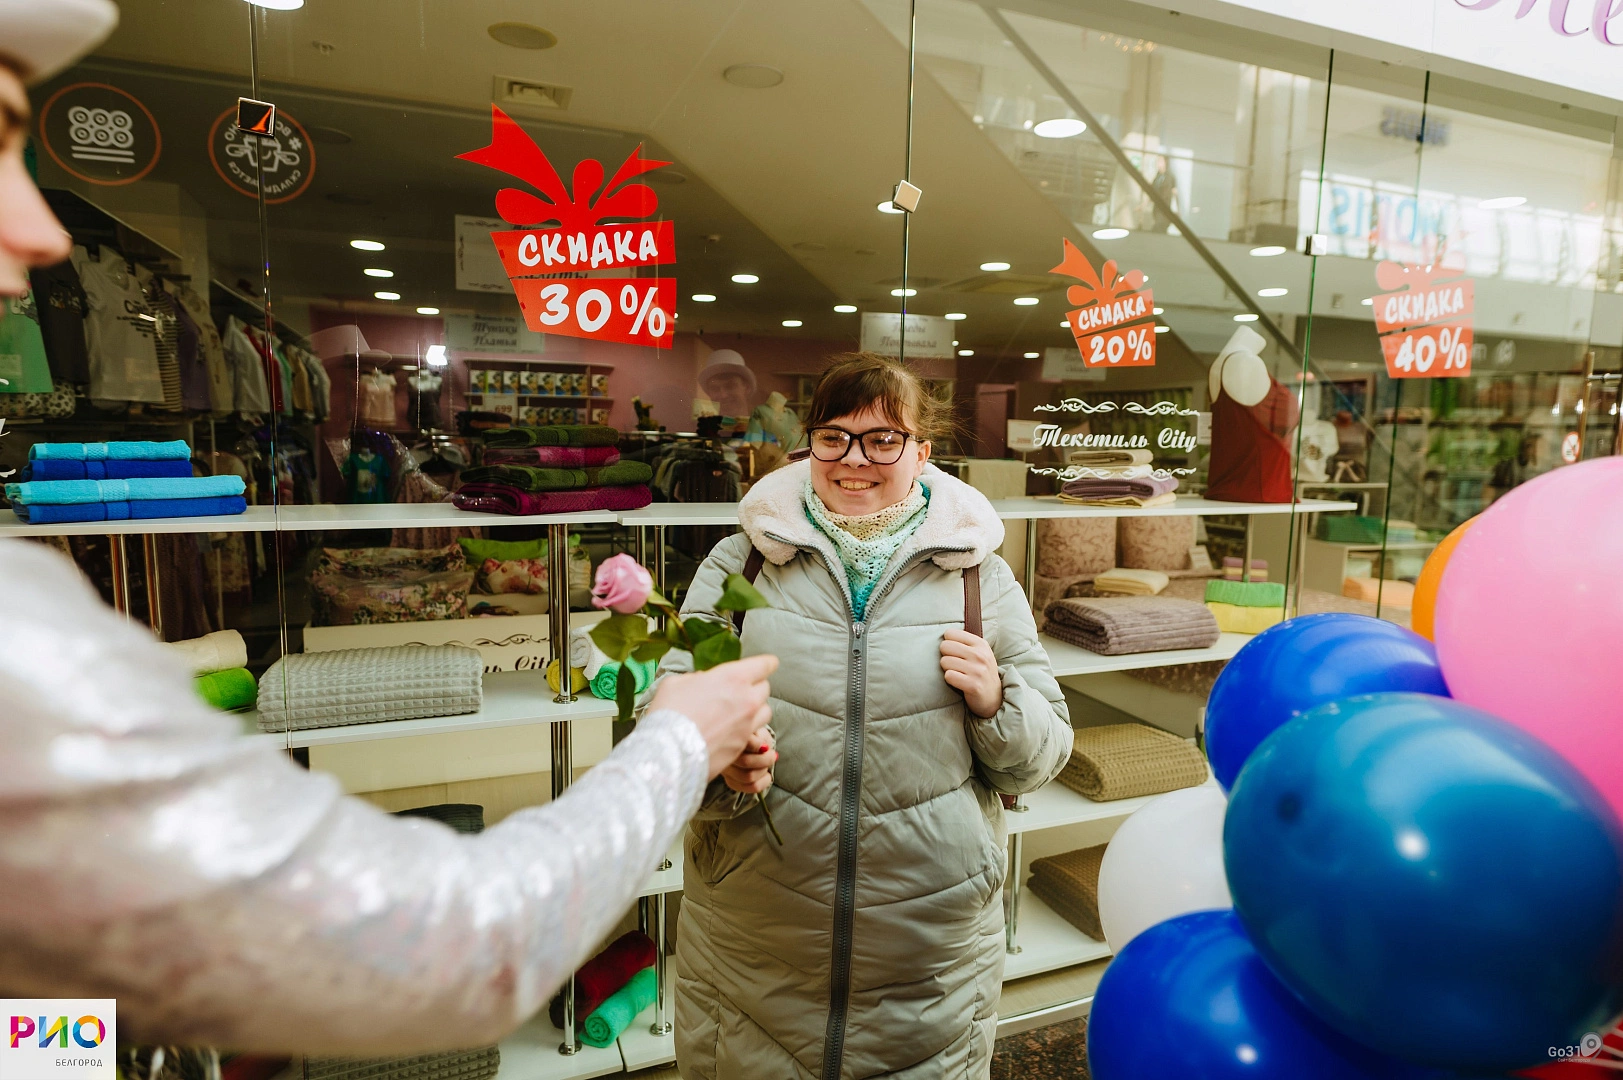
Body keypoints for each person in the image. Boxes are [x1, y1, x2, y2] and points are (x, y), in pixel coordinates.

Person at [0, 1, 780, 1055]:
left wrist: (55, 1050)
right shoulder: (21, 640)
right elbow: (447, 943)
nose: (43, 229)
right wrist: (680, 738)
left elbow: (48, 1014)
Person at [663, 353, 1073, 1079]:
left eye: (883, 439)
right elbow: (668, 727)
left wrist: (995, 699)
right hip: (754, 936)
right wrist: (717, 757)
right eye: (834, 437)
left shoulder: (979, 578)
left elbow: (1040, 759)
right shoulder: (739, 564)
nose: (855, 459)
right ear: (810, 445)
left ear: (921, 452)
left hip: (930, 950)